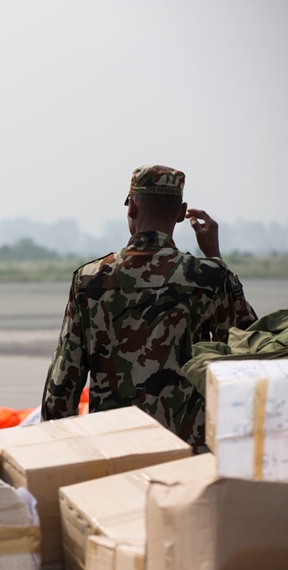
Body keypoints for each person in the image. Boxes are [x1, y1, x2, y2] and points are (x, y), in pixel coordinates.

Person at [42, 165, 257, 452]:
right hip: (189, 449)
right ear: (181, 214)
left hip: (114, 447)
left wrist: (55, 450)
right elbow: (251, 351)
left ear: (131, 207)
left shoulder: (91, 279)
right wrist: (216, 260)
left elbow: (64, 379)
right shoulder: (210, 278)